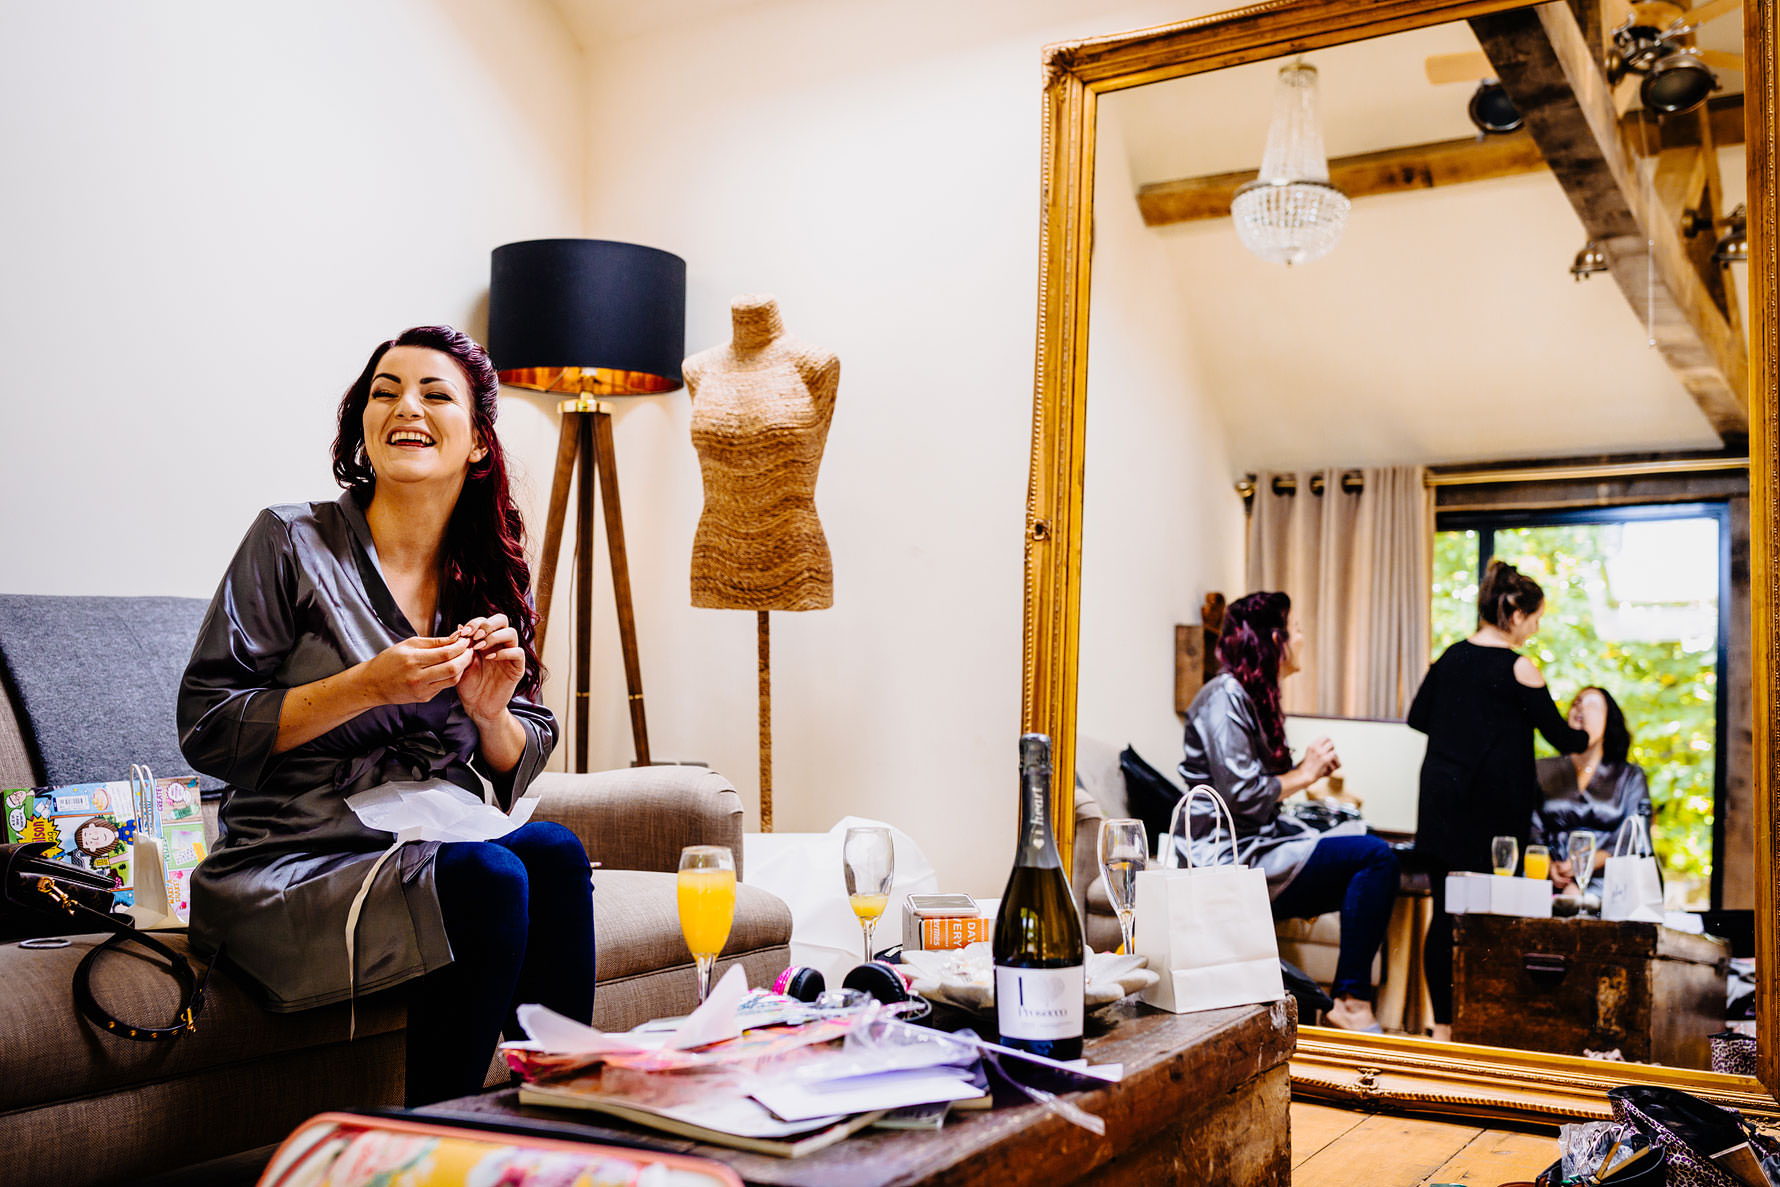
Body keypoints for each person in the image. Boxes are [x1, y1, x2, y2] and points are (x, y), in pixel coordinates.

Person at [179, 325, 594, 1106]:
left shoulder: (491, 568)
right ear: (363, 427)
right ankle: (428, 1145)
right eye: (385, 390)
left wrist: (488, 712)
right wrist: (367, 685)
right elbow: (208, 724)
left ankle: (569, 1121)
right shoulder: (290, 542)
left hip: (421, 833)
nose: (406, 404)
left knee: (557, 855)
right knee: (490, 877)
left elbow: (517, 747)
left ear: (477, 443)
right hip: (290, 857)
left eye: (436, 393)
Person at [1179, 591, 1399, 1033]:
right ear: (1273, 639)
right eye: (1295, 628)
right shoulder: (1224, 696)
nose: (1302, 638)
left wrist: (1307, 775)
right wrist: (1307, 771)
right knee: (1375, 858)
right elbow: (1242, 796)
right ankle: (1350, 1003)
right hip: (1227, 858)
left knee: (1369, 859)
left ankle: (1341, 1002)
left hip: (1259, 844)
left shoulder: (1249, 697)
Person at [1408, 558, 1589, 1042]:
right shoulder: (1518, 667)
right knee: (1495, 915)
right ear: (1514, 612)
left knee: (1446, 915)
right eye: (1535, 618)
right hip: (1493, 814)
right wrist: (1588, 731)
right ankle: (1486, 1027)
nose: (1536, 628)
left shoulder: (1449, 658)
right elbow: (1561, 738)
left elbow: (1418, 718)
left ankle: (1444, 1027)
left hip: (1443, 804)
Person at [1535, 686, 1652, 897]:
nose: (1580, 708)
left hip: (1608, 886)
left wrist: (1582, 864)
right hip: (1547, 881)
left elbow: (1632, 838)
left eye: (1592, 705)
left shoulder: (1630, 776)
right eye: (1576, 702)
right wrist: (1550, 865)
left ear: (1609, 719)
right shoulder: (1541, 769)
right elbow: (1532, 827)